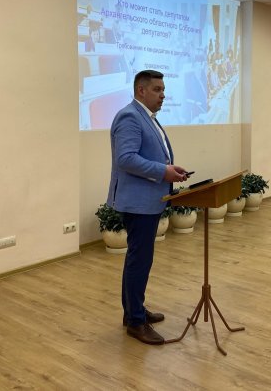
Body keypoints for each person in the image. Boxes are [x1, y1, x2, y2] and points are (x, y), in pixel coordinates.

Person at [107, 69, 189, 345]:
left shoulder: (148, 117)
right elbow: (126, 158)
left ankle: (134, 311)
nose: (163, 95)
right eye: (157, 89)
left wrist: (169, 169)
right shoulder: (130, 116)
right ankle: (135, 321)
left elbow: (152, 156)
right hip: (137, 203)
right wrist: (164, 172)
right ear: (141, 90)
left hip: (148, 201)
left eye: (163, 90)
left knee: (140, 260)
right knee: (139, 261)